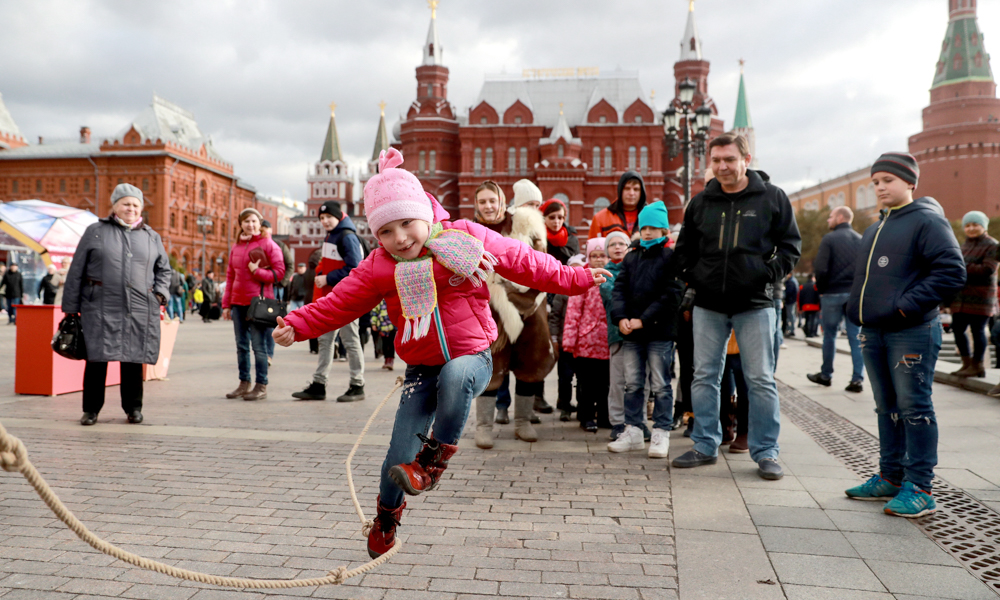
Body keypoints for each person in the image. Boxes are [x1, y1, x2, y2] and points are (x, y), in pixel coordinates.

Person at [272, 148, 608, 559]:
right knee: (397, 456)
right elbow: (338, 302)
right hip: (421, 367)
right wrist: (296, 325)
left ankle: (432, 462)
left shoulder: (464, 236)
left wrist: (575, 277)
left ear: (424, 213)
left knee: (455, 377)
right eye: (386, 231)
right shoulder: (380, 265)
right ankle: (386, 519)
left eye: (406, 223)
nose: (400, 238)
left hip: (473, 356)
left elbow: (523, 261)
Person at [671, 132, 801, 480]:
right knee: (704, 377)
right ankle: (705, 444)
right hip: (709, 305)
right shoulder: (701, 202)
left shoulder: (772, 197)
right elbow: (683, 252)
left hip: (755, 304)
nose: (722, 166)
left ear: (746, 159)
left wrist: (764, 275)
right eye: (716, 160)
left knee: (760, 379)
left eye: (729, 159)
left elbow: (791, 247)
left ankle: (766, 451)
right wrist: (698, 278)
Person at [844, 152, 965, 517]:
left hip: (911, 330)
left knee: (914, 408)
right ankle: (891, 476)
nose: (880, 187)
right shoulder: (874, 228)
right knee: (887, 408)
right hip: (873, 330)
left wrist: (903, 307)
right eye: (875, 182)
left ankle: (921, 487)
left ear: (910, 182)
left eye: (888, 180)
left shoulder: (927, 221)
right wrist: (857, 309)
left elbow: (951, 271)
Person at [61, 183, 171, 425]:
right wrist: (70, 308)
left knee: (133, 359)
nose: (131, 208)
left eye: (135, 204)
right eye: (125, 204)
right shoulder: (95, 231)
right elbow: (77, 270)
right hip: (99, 307)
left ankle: (133, 408)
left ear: (140, 208)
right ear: (115, 206)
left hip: (139, 307)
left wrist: (159, 295)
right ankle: (91, 410)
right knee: (96, 359)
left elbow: (164, 270)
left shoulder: (151, 236)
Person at [472, 179, 557, 446]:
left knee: (529, 361)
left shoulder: (526, 224)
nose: (488, 206)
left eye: (492, 200)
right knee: (491, 364)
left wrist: (524, 298)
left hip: (530, 305)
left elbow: (541, 264)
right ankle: (484, 426)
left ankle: (522, 422)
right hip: (491, 308)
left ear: (502, 202)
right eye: (482, 201)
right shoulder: (471, 230)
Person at [608, 202, 685, 458]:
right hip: (632, 332)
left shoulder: (670, 257)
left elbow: (672, 294)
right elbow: (619, 289)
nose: (648, 232)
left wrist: (644, 319)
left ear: (663, 230)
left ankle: (661, 431)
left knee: (661, 384)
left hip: (659, 333)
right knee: (632, 383)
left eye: (653, 227)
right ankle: (633, 430)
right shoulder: (631, 256)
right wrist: (621, 318)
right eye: (644, 227)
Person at [292, 201, 366, 402]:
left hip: (346, 298)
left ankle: (357, 385)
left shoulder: (347, 236)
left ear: (338, 216)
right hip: (330, 298)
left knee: (350, 340)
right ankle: (319, 384)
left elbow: (355, 269)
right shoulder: (331, 236)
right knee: (325, 341)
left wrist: (328, 278)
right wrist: (322, 275)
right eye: (322, 218)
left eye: (328, 217)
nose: (325, 221)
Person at [221, 207, 285, 401]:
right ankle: (244, 383)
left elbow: (279, 273)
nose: (250, 225)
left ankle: (261, 385)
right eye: (246, 221)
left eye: (254, 221)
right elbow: (230, 277)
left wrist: (257, 272)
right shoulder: (236, 247)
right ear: (241, 224)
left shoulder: (269, 244)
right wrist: (226, 304)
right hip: (238, 303)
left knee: (259, 346)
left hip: (258, 304)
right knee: (241, 346)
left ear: (259, 223)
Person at [808, 206, 865, 392]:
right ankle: (857, 379)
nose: (828, 220)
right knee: (856, 337)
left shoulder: (829, 239)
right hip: (854, 295)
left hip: (832, 293)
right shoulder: (861, 239)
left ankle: (826, 375)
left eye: (830, 216)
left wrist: (821, 289)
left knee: (829, 336)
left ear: (840, 217)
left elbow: (821, 268)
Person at [947, 210, 998, 379]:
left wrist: (960, 267)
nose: (971, 228)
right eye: (967, 225)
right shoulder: (963, 246)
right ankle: (966, 363)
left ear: (984, 226)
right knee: (958, 329)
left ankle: (978, 365)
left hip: (981, 297)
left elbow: (987, 269)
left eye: (975, 225)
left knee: (978, 331)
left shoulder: (993, 245)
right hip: (960, 297)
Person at [599, 230, 633, 441]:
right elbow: (612, 296)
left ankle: (636, 421)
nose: (618, 247)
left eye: (622, 243)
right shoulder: (606, 273)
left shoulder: (636, 268)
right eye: (613, 244)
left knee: (638, 381)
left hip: (640, 332)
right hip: (617, 334)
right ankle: (618, 421)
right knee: (618, 381)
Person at [589, 171, 649, 239]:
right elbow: (593, 244)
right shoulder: (600, 219)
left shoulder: (651, 217)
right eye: (627, 188)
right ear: (620, 191)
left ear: (642, 193)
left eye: (636, 189)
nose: (631, 193)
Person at [261, 220, 294, 302]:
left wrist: (282, 282)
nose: (264, 230)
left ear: (271, 230)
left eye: (266, 228)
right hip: (258, 286)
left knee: (274, 308)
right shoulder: (254, 244)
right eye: (262, 228)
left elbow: (290, 265)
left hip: (275, 286)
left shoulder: (280, 245)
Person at [540, 198, 579, 265]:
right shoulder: (538, 239)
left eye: (560, 217)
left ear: (564, 219)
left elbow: (578, 265)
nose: (556, 221)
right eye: (552, 217)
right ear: (544, 218)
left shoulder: (572, 239)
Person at [372, 300, 397, 370]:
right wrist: (373, 323)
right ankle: (386, 360)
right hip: (382, 327)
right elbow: (374, 312)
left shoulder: (393, 299)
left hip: (392, 327)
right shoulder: (379, 300)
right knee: (385, 344)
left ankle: (390, 361)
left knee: (391, 344)